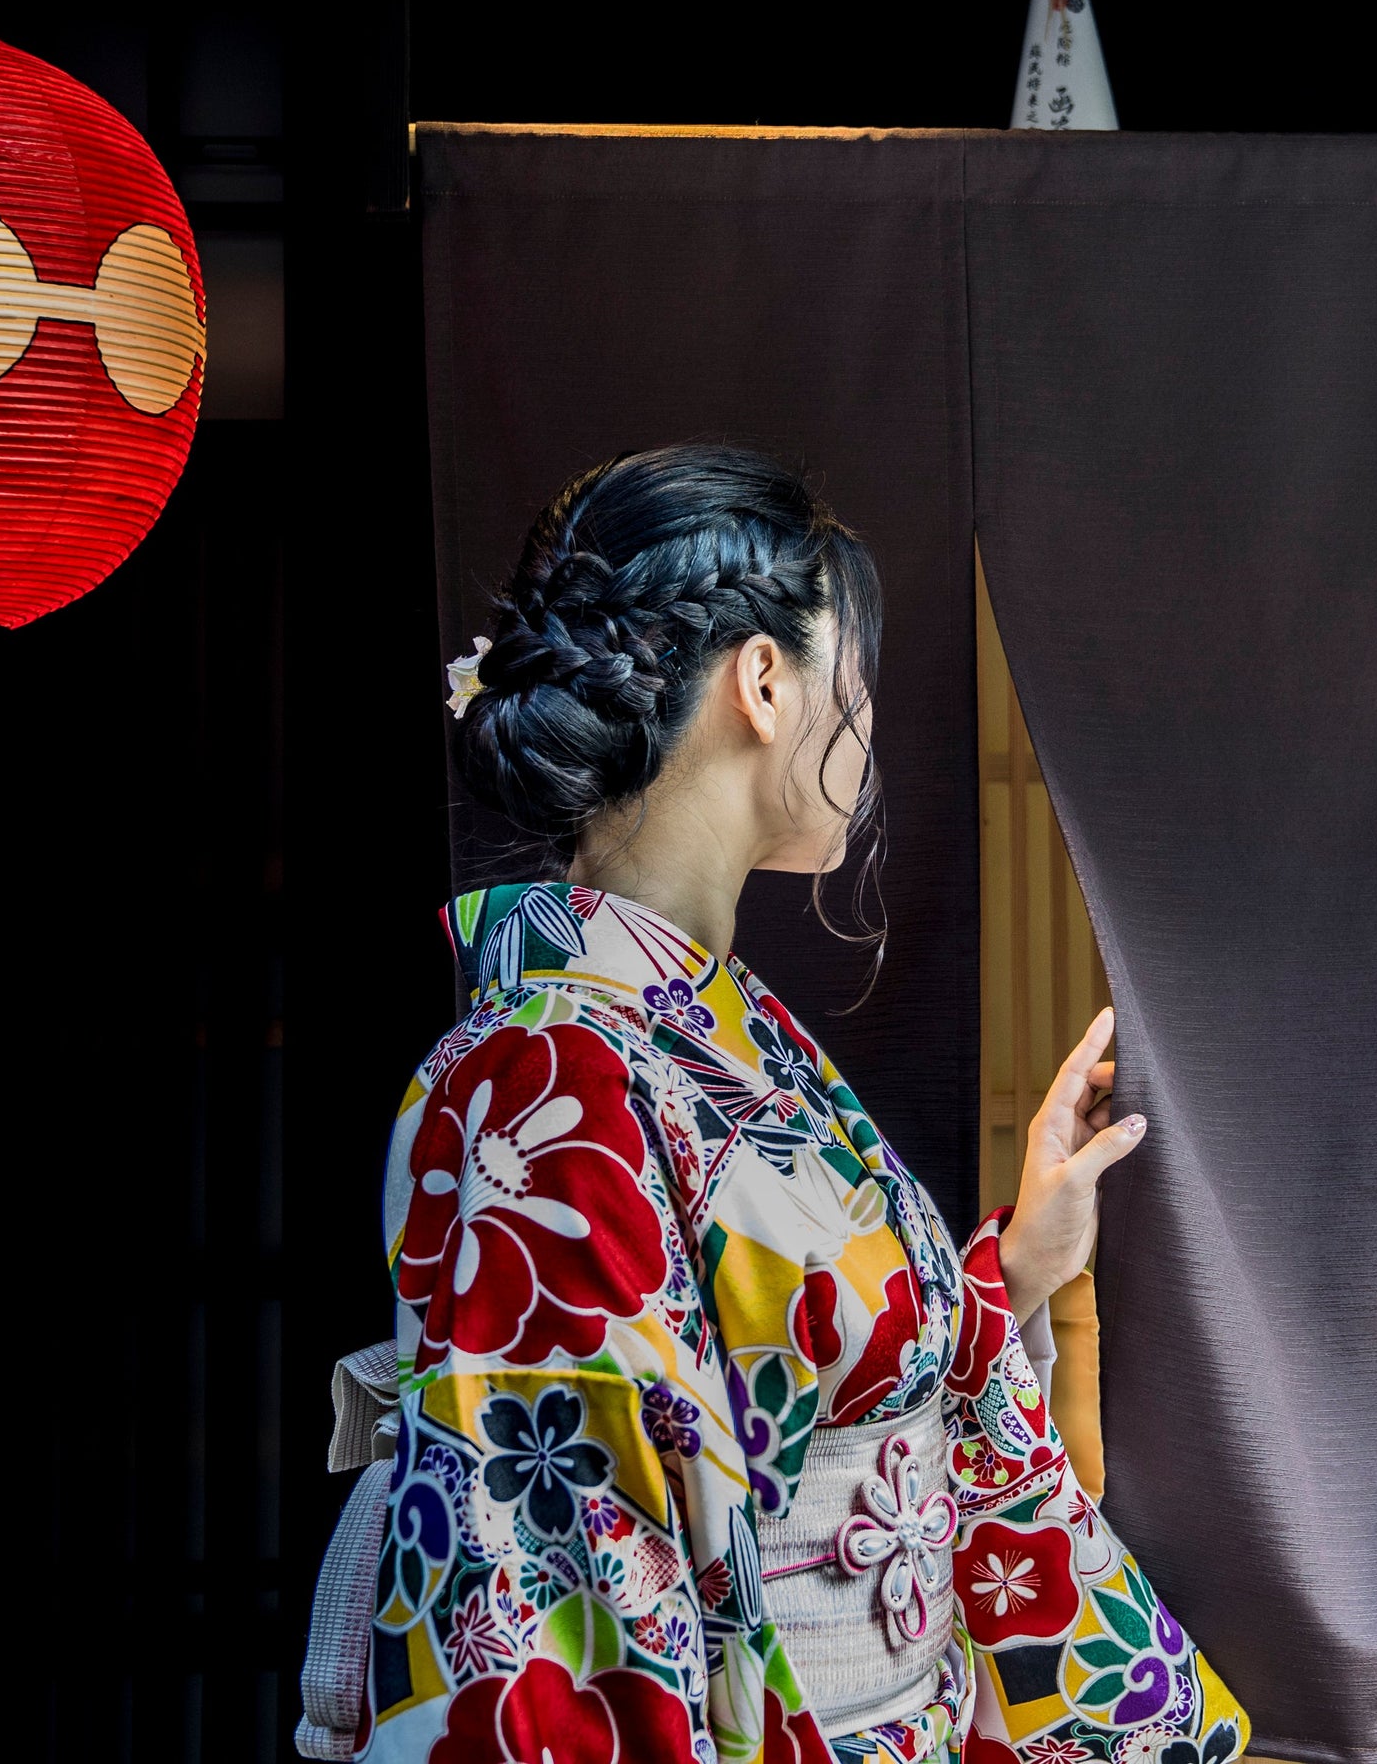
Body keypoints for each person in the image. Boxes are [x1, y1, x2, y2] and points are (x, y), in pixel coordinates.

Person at [322, 447, 1246, 1764]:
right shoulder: (546, 1077)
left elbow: (812, 1373)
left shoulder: (701, 1037)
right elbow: (560, 1627)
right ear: (764, 682)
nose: (863, 718)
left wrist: (1008, 1265)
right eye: (850, 674)